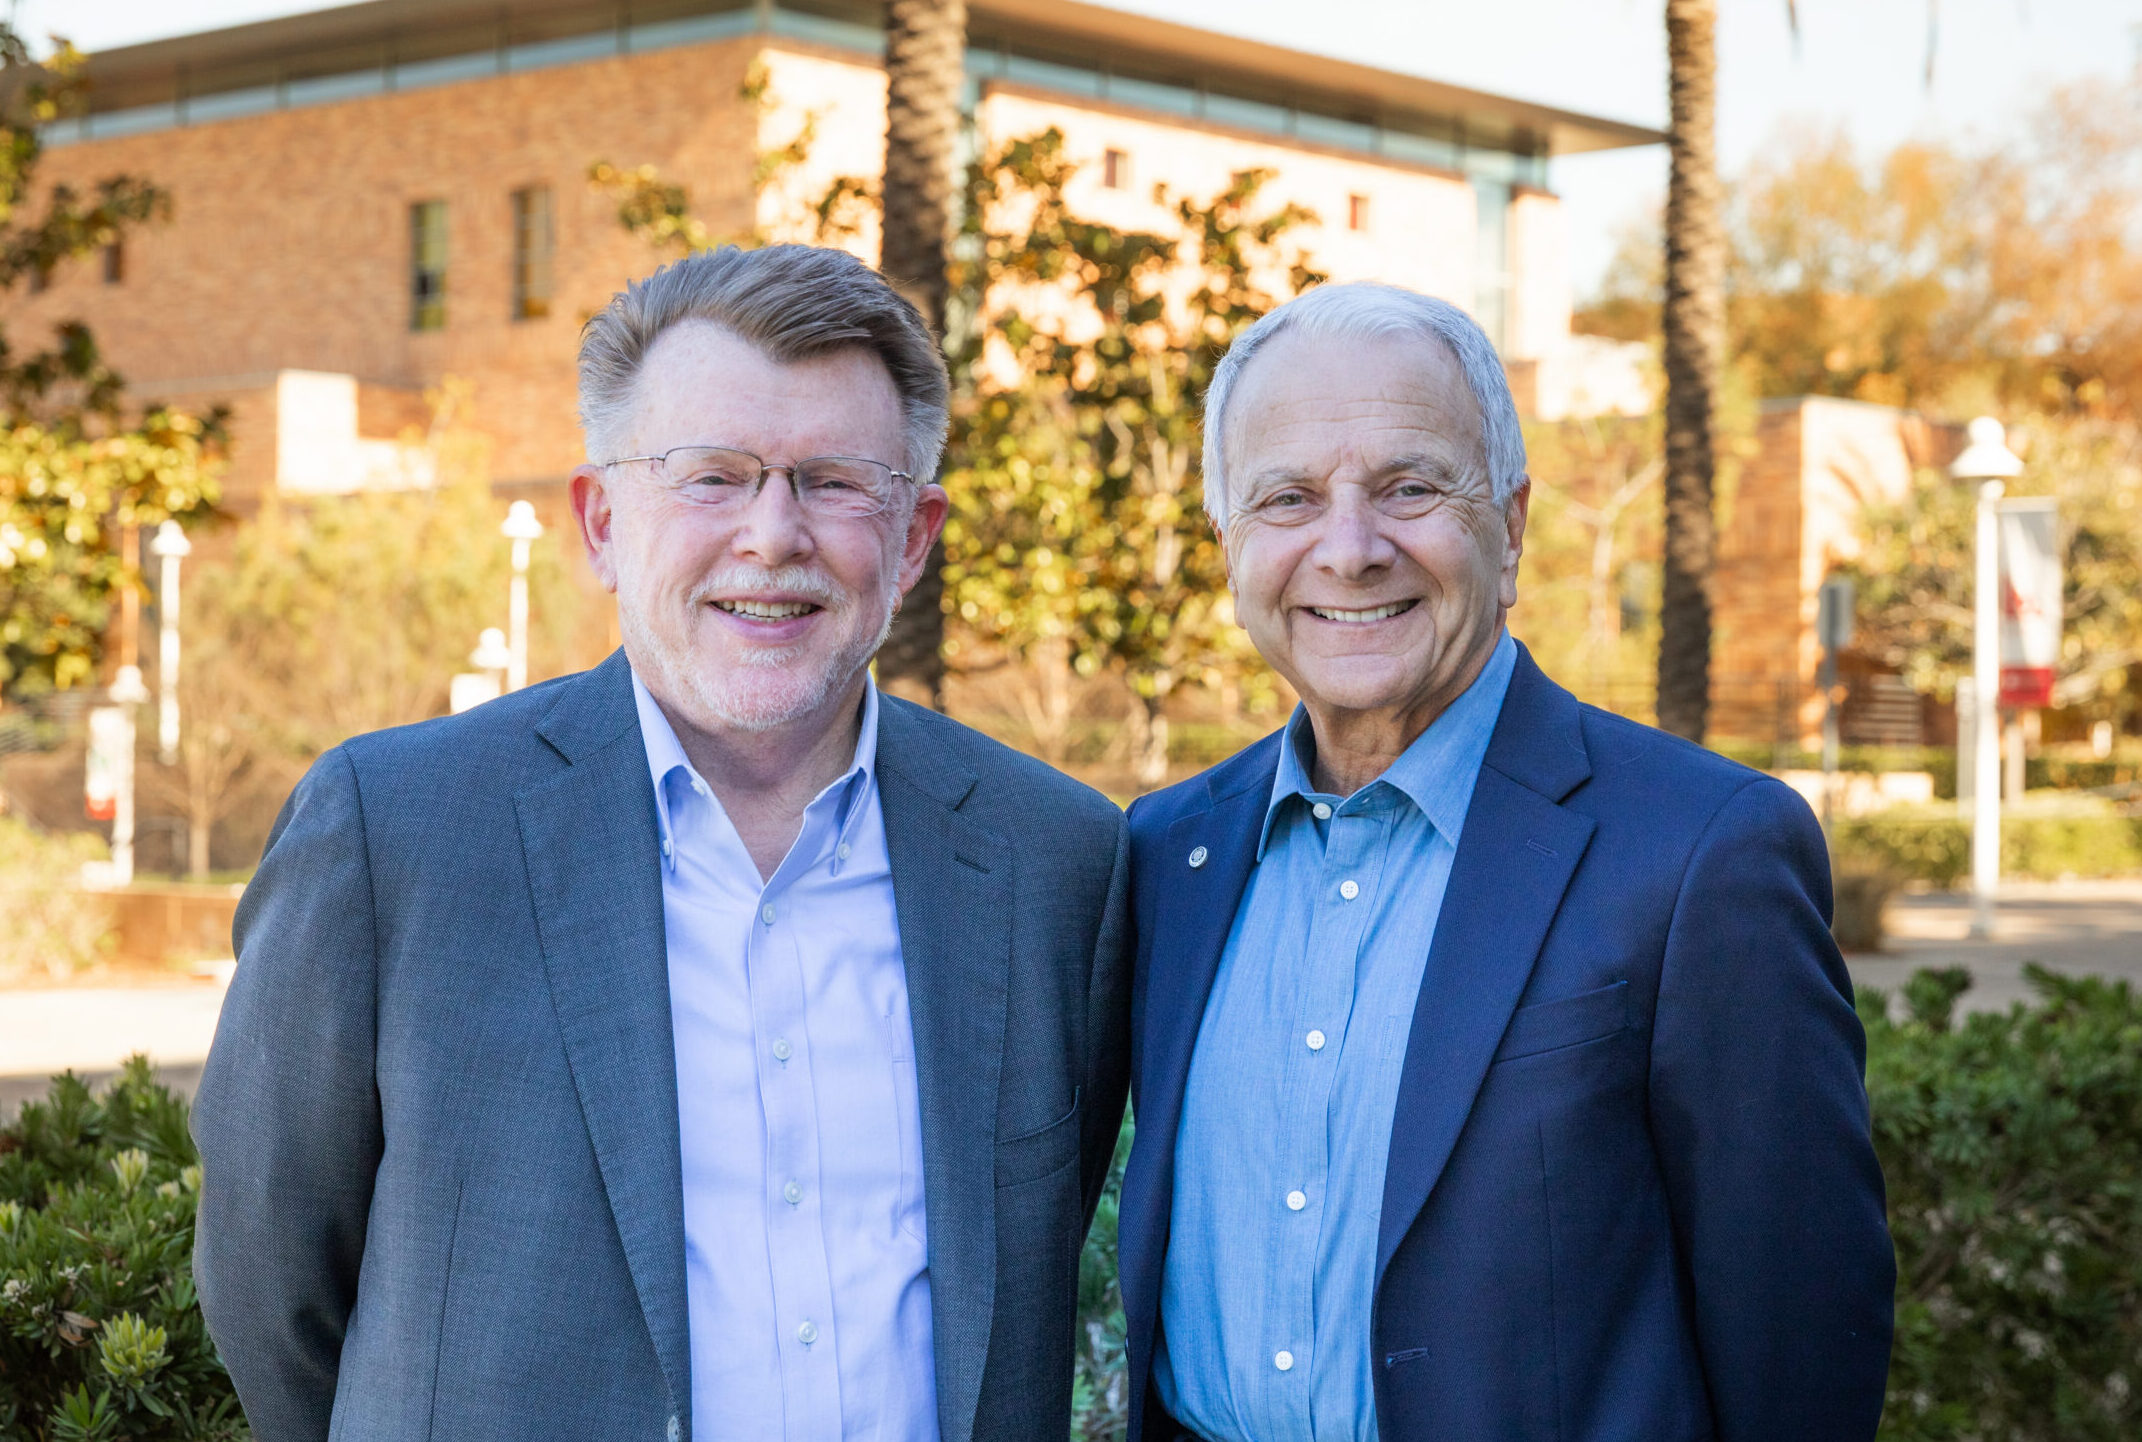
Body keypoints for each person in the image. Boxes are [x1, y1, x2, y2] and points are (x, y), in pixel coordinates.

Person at [192, 244, 1131, 1442]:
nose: (772, 535)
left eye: (835, 482)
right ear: (600, 521)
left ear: (912, 537)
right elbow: (272, 1285)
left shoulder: (1056, 860)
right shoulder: (393, 833)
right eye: (712, 477)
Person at [1118, 281, 1894, 1442]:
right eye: (1288, 498)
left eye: (1410, 487)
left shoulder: (1703, 852)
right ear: (1230, 544)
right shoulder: (1165, 850)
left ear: (1512, 524)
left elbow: (1802, 1340)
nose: (1350, 549)